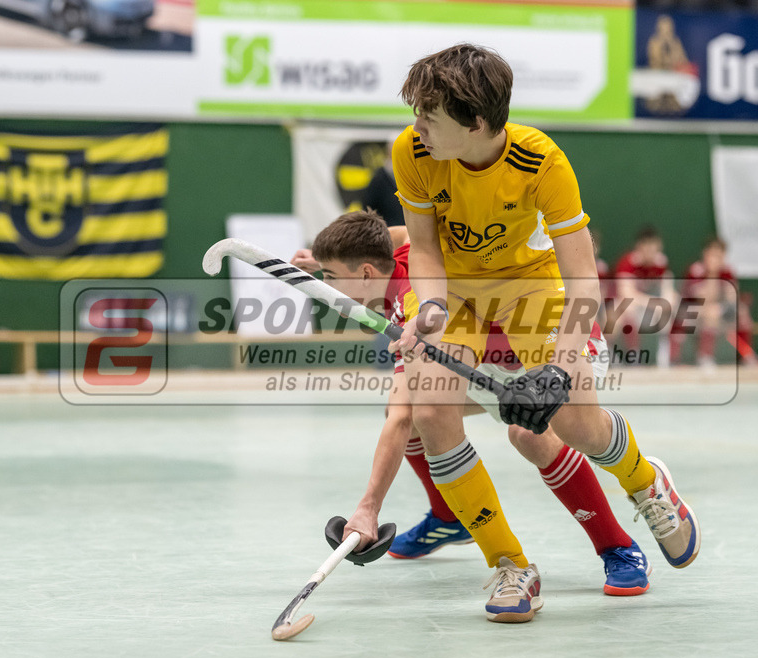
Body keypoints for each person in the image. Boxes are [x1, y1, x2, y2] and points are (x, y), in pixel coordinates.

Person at [392, 44, 700, 622]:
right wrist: (428, 310)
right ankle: (510, 565)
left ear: (476, 122)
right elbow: (425, 248)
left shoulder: (542, 162)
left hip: (535, 287)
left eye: (429, 116)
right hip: (456, 291)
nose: (417, 127)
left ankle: (644, 480)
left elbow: (585, 279)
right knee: (430, 412)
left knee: (574, 424)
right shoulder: (412, 151)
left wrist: (559, 368)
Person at [293, 210, 653, 601]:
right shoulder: (397, 257)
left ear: (365, 274)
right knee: (423, 417)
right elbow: (392, 234)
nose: (328, 291)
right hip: (494, 357)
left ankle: (616, 546)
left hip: (559, 345)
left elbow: (400, 418)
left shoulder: (415, 309)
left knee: (527, 435)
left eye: (330, 280)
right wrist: (322, 259)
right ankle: (449, 517)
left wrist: (368, 508)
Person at [674, 237, 758, 368]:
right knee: (711, 313)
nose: (716, 259)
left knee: (742, 312)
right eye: (712, 255)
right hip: (690, 312)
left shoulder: (727, 271)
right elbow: (704, 299)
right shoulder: (696, 270)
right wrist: (712, 274)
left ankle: (746, 356)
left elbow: (731, 298)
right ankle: (705, 357)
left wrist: (729, 304)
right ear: (705, 254)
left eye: (719, 255)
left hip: (717, 309)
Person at [611, 225, 678, 363]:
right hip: (620, 306)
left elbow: (668, 288)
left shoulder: (661, 262)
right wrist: (655, 302)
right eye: (647, 247)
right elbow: (626, 294)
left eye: (654, 247)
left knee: (675, 303)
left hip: (647, 306)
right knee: (625, 309)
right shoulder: (627, 262)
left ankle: (667, 356)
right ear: (639, 246)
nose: (650, 251)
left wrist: (668, 299)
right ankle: (628, 354)